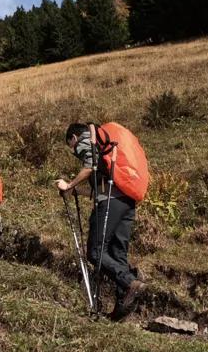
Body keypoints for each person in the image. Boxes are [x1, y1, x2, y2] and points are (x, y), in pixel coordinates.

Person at [55, 122, 145, 318]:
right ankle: (122, 307)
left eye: (71, 145)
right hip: (126, 201)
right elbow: (98, 185)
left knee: (95, 252)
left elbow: (89, 167)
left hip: (109, 202)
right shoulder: (107, 145)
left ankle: (130, 282)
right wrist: (75, 190)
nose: (73, 149)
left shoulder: (86, 140)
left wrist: (68, 184)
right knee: (117, 252)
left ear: (73, 138)